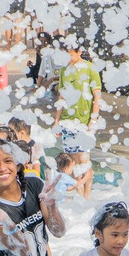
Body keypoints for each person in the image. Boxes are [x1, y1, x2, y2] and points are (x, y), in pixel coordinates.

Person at [52, 42, 101, 200]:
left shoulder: (90, 68)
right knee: (72, 161)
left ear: (80, 52)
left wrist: (93, 118)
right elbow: (61, 96)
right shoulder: (65, 70)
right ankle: (80, 196)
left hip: (83, 120)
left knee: (84, 160)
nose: (68, 58)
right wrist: (56, 120)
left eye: (71, 54)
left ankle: (87, 196)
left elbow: (97, 96)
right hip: (67, 121)